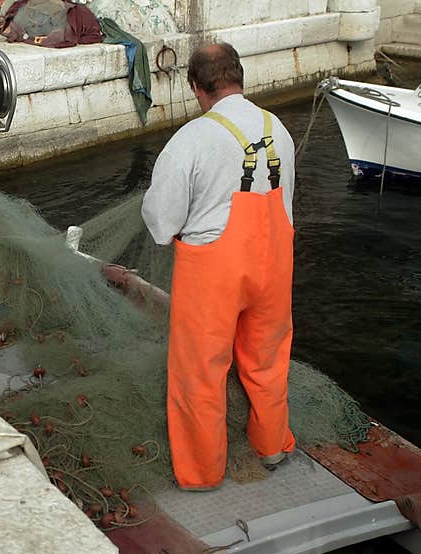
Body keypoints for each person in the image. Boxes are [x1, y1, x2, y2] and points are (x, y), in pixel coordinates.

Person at [141, 42, 296, 491]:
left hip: (214, 272)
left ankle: (203, 473)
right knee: (267, 360)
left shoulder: (190, 140)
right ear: (239, 76)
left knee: (200, 372)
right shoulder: (278, 129)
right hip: (274, 261)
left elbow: (161, 220)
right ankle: (271, 447)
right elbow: (286, 203)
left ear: (195, 87)